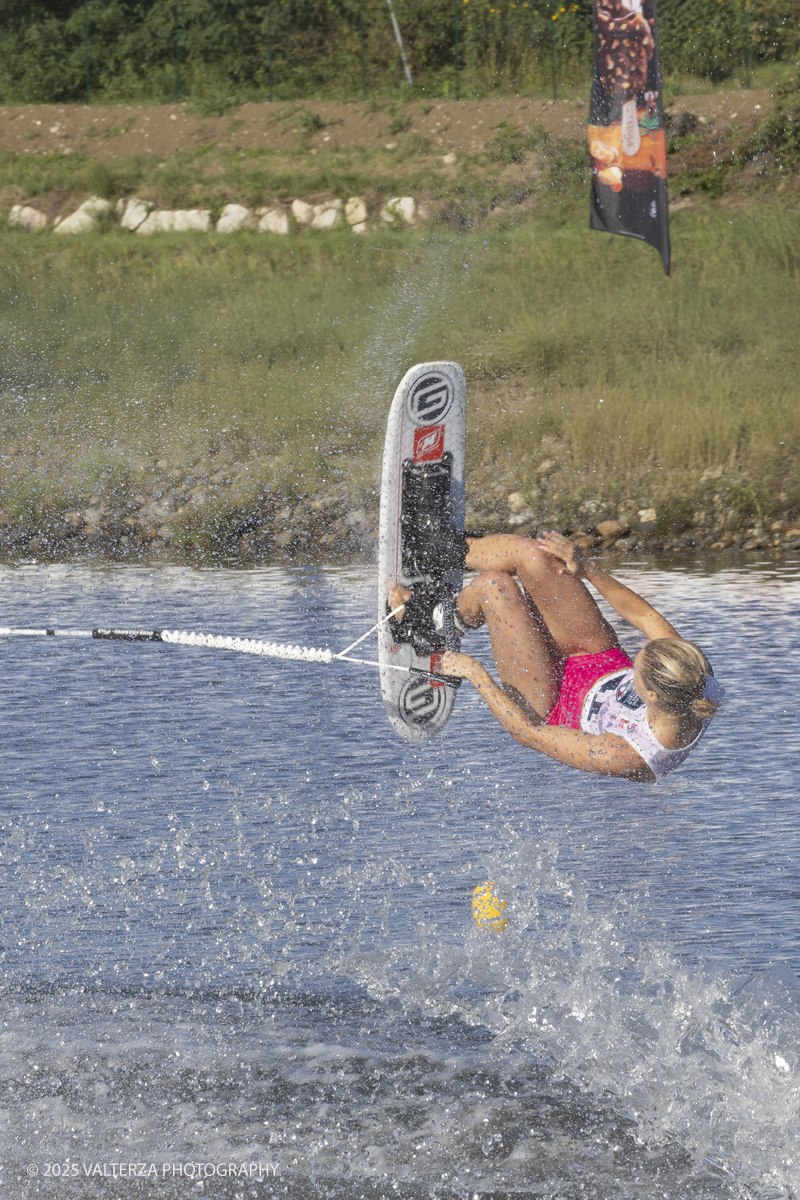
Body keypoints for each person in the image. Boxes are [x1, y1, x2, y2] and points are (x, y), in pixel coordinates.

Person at [390, 531, 723, 782]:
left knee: (496, 587)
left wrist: (474, 672)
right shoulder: (689, 668)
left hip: (552, 704)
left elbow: (528, 733)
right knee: (537, 554)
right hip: (598, 659)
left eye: (638, 665)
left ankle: (427, 626)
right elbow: (647, 618)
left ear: (651, 695)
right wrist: (587, 568)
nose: (638, 651)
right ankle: (440, 549)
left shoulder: (630, 754)